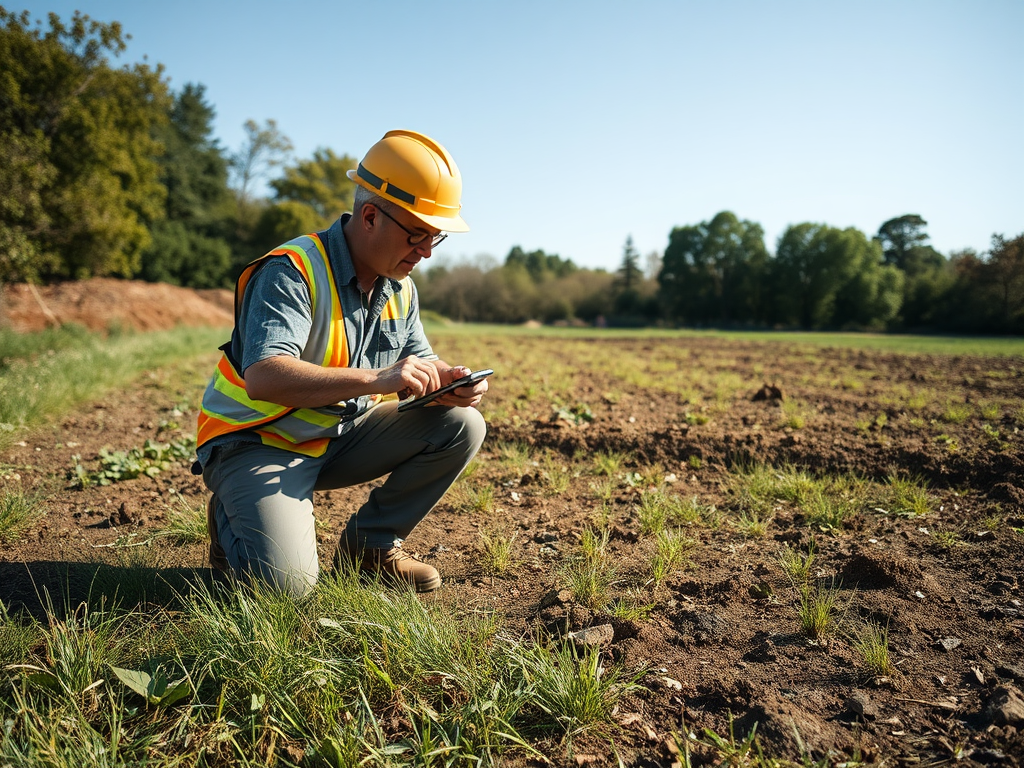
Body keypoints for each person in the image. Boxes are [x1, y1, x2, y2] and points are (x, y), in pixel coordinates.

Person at [194, 129, 487, 597]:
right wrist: (378, 377)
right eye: (418, 234)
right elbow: (264, 376)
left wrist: (449, 382)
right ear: (371, 216)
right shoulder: (291, 270)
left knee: (461, 423)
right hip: (259, 442)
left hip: (338, 437)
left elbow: (421, 359)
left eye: (436, 237)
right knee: (286, 591)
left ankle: (369, 549)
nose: (427, 251)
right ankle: (232, 512)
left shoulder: (400, 285)